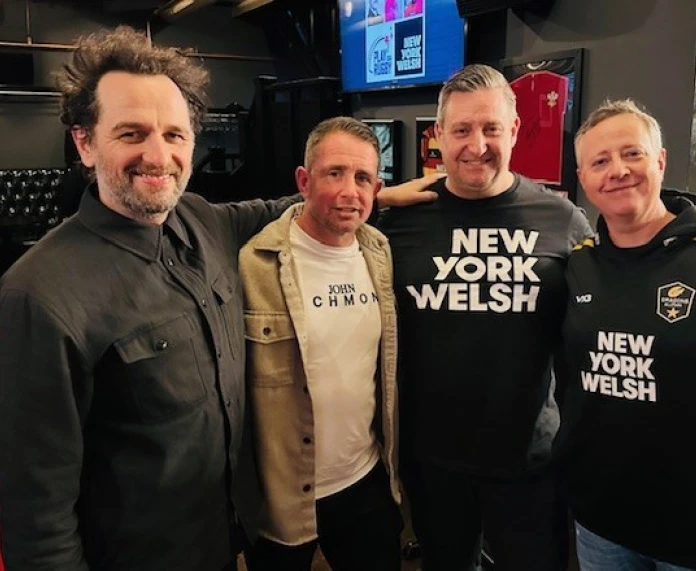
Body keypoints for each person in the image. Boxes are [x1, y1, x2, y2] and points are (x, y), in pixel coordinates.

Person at [0, 25, 435, 571]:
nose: (158, 156)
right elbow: (36, 513)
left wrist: (370, 196)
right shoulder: (38, 293)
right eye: (131, 133)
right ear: (85, 142)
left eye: (174, 135)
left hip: (228, 534)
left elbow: (284, 207)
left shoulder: (200, 220)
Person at [377, 63, 592, 571]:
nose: (478, 144)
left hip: (528, 462)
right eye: (462, 130)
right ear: (438, 136)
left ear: (514, 131)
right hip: (432, 462)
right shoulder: (399, 221)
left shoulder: (563, 220)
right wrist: (376, 197)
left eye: (491, 128)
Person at [555, 98, 696, 571]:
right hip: (601, 527)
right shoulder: (578, 266)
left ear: (661, 161)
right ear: (583, 178)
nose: (618, 171)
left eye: (632, 154)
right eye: (600, 161)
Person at [239, 116, 402, 570]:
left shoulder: (379, 251)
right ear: (303, 181)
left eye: (363, 178)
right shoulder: (252, 264)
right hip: (284, 496)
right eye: (335, 174)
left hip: (366, 479)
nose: (350, 192)